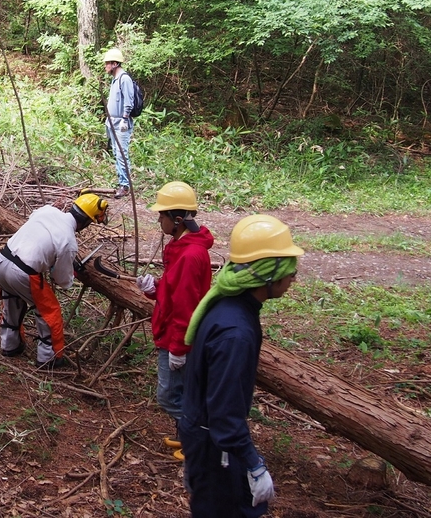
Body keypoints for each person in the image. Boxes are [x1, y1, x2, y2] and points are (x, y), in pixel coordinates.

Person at [180, 214, 304, 518]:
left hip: (205, 436)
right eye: (289, 270)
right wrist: (253, 463)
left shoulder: (229, 308)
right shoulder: (236, 333)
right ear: (267, 273)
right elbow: (224, 413)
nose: (293, 278)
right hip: (215, 447)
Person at [136, 181, 214, 460]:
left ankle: (199, 442)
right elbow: (174, 291)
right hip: (172, 333)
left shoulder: (191, 255)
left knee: (169, 396)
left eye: (162, 215)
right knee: (183, 392)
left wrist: (179, 349)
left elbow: (187, 306)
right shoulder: (180, 247)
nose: (159, 220)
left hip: (177, 338)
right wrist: (153, 288)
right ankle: (187, 437)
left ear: (178, 219)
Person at [0, 193, 109, 369]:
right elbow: (62, 280)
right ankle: (49, 358)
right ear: (87, 221)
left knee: (12, 300)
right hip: (23, 273)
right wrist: (71, 272)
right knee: (49, 311)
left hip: (2, 261)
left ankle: (10, 345)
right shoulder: (69, 242)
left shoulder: (47, 211)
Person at [102, 48, 135, 198]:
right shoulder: (115, 79)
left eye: (107, 63)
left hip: (121, 123)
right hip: (112, 122)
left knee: (122, 154)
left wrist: (125, 119)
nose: (105, 66)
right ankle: (121, 181)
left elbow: (129, 101)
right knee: (116, 153)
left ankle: (125, 186)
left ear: (115, 64)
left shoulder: (124, 79)